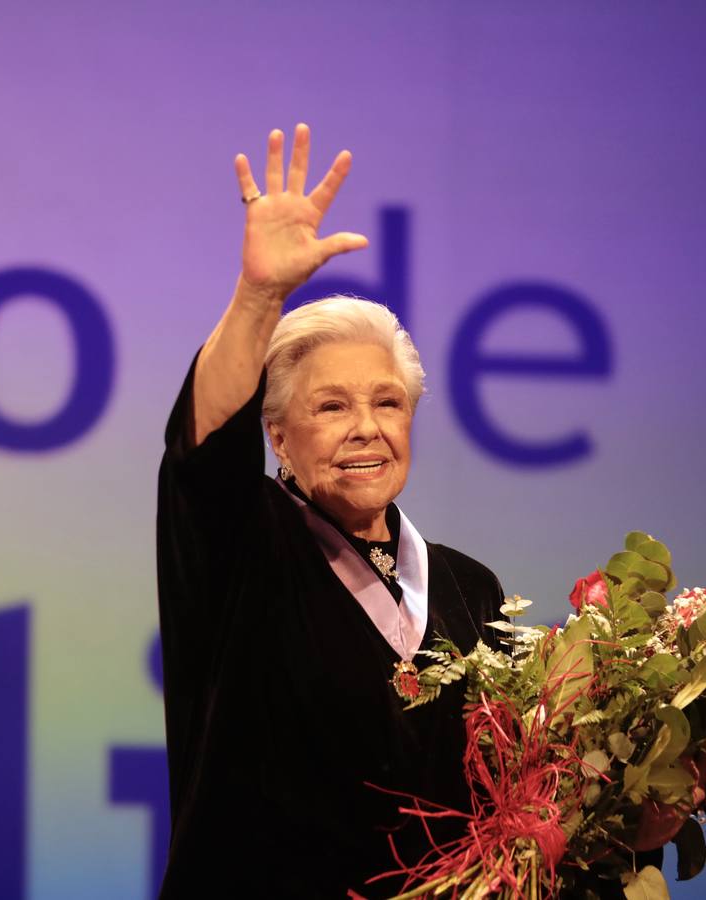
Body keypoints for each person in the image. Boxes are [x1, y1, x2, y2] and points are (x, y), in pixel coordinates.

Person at [154, 124, 504, 897]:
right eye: (331, 406)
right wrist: (259, 298)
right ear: (276, 433)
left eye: (387, 402)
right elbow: (203, 452)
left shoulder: (469, 590)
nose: (365, 428)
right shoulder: (244, 546)